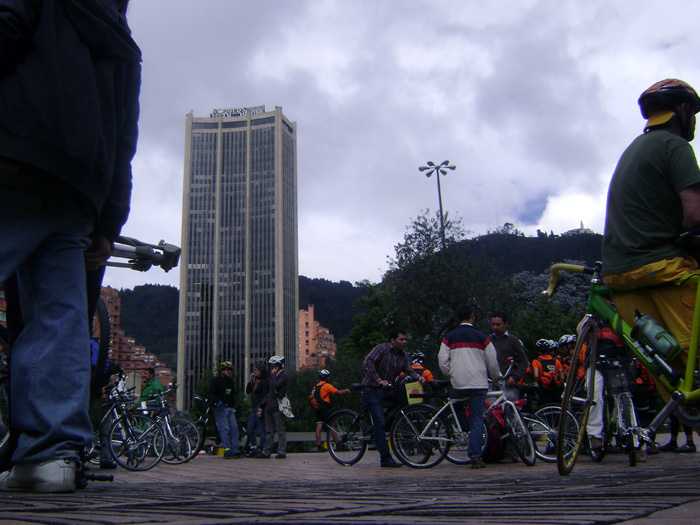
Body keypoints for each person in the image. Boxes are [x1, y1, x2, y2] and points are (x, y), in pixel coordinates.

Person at [0, 0, 141, 494]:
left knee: (51, 317)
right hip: (78, 191)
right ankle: (48, 456)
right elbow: (125, 141)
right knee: (58, 320)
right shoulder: (122, 38)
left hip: (14, 155)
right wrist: (107, 222)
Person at [601, 78, 700, 394]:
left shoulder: (632, 150)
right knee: (693, 356)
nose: (695, 121)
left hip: (619, 279)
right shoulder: (675, 146)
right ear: (682, 111)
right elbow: (695, 213)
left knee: (671, 371)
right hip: (662, 268)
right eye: (694, 112)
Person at [438, 305, 501, 470]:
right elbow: (493, 362)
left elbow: (442, 362)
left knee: (456, 404)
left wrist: (452, 374)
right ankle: (475, 454)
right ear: (472, 317)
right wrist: (496, 377)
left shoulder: (449, 337)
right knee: (477, 418)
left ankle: (465, 429)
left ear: (458, 318)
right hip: (479, 383)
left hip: (459, 382)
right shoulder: (482, 337)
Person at [361, 328, 426, 468]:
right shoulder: (382, 349)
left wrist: (419, 377)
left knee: (403, 402)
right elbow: (368, 362)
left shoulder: (404, 355)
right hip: (372, 388)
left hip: (387, 388)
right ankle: (385, 458)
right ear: (392, 340)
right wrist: (379, 380)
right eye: (401, 339)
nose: (404, 342)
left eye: (405, 339)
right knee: (379, 422)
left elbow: (409, 370)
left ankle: (392, 424)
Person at [489, 312, 529, 398]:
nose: (495, 327)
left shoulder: (513, 340)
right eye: (493, 324)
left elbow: (524, 361)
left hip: (508, 384)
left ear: (505, 324)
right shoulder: (488, 341)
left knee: (509, 409)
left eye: (498, 324)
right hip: (491, 384)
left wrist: (515, 377)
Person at [208, 362, 243, 459]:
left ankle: (235, 450)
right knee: (225, 429)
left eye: (230, 370)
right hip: (220, 408)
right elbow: (210, 394)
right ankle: (227, 450)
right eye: (227, 370)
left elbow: (231, 394)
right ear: (222, 371)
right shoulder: (216, 381)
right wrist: (218, 401)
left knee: (234, 428)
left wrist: (234, 404)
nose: (229, 372)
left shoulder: (230, 381)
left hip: (229, 408)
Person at [257, 356, 289, 459]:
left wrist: (274, 376)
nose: (272, 368)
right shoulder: (272, 376)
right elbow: (268, 393)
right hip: (269, 406)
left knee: (280, 430)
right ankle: (266, 451)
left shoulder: (283, 375)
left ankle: (282, 451)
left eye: (274, 366)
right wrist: (262, 406)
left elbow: (276, 386)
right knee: (269, 430)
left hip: (277, 406)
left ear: (279, 366)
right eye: (271, 366)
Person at [310, 369, 350, 452]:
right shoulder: (327, 386)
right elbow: (337, 392)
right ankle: (338, 444)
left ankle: (319, 446)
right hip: (325, 408)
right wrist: (346, 391)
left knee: (319, 426)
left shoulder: (316, 386)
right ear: (326, 378)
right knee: (332, 425)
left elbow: (311, 396)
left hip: (318, 408)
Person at [245, 363, 269, 457]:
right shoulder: (255, 381)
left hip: (260, 407)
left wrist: (261, 408)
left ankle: (263, 450)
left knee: (261, 429)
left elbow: (265, 396)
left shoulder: (265, 382)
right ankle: (254, 448)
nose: (254, 372)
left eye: (256, 370)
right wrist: (250, 380)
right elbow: (248, 391)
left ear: (261, 372)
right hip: (254, 406)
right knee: (249, 429)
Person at [531, 339, 564, 405]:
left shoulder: (536, 362)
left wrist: (535, 388)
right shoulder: (556, 361)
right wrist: (559, 386)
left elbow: (536, 376)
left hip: (543, 391)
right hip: (556, 391)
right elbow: (562, 377)